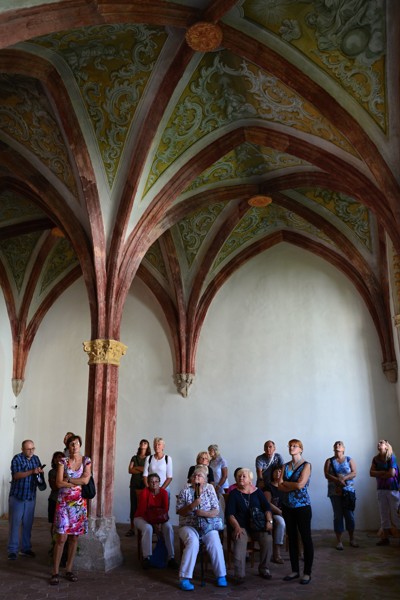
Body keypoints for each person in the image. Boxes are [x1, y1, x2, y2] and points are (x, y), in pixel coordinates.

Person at [176, 466, 227, 590]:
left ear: (205, 480)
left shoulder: (210, 489)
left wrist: (204, 513)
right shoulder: (185, 490)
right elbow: (179, 511)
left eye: (200, 476)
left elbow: (216, 511)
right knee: (193, 542)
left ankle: (221, 575)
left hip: (208, 525)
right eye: (194, 475)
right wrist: (192, 506)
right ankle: (184, 578)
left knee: (215, 541)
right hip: (188, 525)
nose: (196, 477)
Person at [50, 435, 91, 586]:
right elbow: (58, 483)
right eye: (72, 444)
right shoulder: (63, 461)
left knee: (74, 538)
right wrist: (75, 483)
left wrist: (69, 480)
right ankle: (55, 572)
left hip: (79, 505)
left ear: (80, 445)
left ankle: (69, 569)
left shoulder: (86, 461)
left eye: (77, 444)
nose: (74, 446)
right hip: (63, 503)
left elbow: (86, 480)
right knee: (61, 538)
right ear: (68, 447)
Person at [226, 467, 273, 583]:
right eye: (239, 476)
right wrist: (236, 527)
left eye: (244, 476)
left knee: (267, 539)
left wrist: (269, 521)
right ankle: (239, 574)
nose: (241, 478)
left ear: (250, 480)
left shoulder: (258, 492)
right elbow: (230, 514)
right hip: (241, 526)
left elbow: (267, 508)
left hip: (257, 526)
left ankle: (264, 568)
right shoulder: (234, 494)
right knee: (240, 539)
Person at [279, 439, 313, 585]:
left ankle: (307, 572)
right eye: (290, 446)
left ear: (301, 449)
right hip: (287, 506)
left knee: (305, 538)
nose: (291, 448)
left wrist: (287, 484)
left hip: (302, 506)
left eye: (294, 446)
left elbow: (300, 485)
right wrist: (290, 485)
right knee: (292, 538)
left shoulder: (306, 465)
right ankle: (295, 570)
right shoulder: (285, 465)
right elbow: (279, 485)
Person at [7, 439, 45, 560]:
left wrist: (39, 472)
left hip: (30, 496)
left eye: (33, 448)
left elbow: (38, 473)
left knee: (28, 524)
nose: (31, 451)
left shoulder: (36, 459)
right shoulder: (17, 458)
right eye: (28, 449)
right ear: (22, 449)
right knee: (15, 524)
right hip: (17, 496)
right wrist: (32, 471)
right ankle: (12, 550)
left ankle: (25, 548)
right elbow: (16, 475)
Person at [133, 472, 178, 569]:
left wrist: (160, 524)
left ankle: (171, 557)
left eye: (156, 481)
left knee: (168, 527)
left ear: (159, 482)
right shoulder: (145, 492)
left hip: (160, 518)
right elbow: (143, 511)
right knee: (148, 528)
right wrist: (155, 527)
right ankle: (147, 557)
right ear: (148, 483)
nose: (154, 483)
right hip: (141, 517)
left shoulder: (164, 493)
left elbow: (165, 510)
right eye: (151, 481)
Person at [324, 441, 358, 550]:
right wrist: (337, 480)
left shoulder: (349, 460)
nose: (337, 446)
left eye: (340, 444)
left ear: (343, 448)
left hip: (348, 491)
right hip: (334, 492)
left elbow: (354, 473)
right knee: (338, 515)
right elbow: (326, 474)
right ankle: (339, 541)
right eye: (336, 444)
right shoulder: (329, 461)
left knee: (349, 515)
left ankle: (352, 538)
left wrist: (344, 478)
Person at [369, 439, 400, 545]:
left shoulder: (391, 457)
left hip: (392, 489)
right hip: (381, 489)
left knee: (396, 514)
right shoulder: (375, 459)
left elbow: (392, 474)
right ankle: (385, 538)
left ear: (386, 446)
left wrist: (379, 473)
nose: (379, 444)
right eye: (378, 442)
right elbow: (371, 473)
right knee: (383, 514)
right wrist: (383, 472)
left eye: (381, 443)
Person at [126, 439, 151, 536]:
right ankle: (132, 529)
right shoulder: (134, 457)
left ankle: (144, 528)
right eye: (142, 443)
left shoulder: (149, 458)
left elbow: (148, 470)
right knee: (133, 506)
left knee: (144, 506)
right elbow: (130, 470)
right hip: (134, 484)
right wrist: (142, 469)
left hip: (145, 484)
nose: (143, 444)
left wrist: (137, 468)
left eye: (145, 443)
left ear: (148, 446)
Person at [264, 465, 286, 563]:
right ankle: (277, 553)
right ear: (272, 474)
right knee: (281, 523)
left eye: (280, 471)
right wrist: (280, 512)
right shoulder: (268, 487)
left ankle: (300, 552)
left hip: (286, 512)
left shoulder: (285, 486)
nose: (278, 473)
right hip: (274, 513)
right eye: (276, 471)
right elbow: (268, 503)